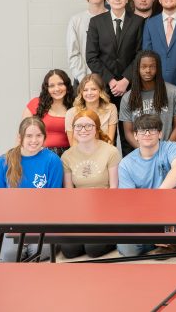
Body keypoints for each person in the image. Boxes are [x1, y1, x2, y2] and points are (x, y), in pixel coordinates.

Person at [0, 117, 63, 261]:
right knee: (10, 255)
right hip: (10, 221)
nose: (34, 140)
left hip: (41, 219)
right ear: (20, 137)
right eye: (28, 136)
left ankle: (29, 245)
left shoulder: (52, 160)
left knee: (40, 252)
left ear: (44, 137)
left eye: (38, 135)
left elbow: (54, 199)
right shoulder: (3, 162)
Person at [117, 113, 176, 258]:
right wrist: (151, 231)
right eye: (142, 130)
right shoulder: (126, 163)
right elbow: (129, 202)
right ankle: (156, 241)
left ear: (160, 133)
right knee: (127, 250)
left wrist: (157, 195)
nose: (147, 134)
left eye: (152, 130)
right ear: (135, 135)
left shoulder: (171, 148)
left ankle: (169, 239)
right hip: (144, 215)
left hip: (170, 211)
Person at [59, 109, 121, 258]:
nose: (83, 130)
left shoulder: (111, 152)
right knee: (69, 250)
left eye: (89, 126)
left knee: (93, 249)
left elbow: (114, 189)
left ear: (96, 129)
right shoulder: (67, 156)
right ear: (73, 130)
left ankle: (116, 236)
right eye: (78, 126)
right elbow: (69, 192)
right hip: (80, 212)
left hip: (105, 211)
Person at [86, 0, 144, 114]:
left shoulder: (138, 21)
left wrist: (126, 80)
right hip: (104, 85)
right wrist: (111, 81)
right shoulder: (96, 22)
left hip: (130, 85)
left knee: (128, 129)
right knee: (105, 131)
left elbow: (140, 54)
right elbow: (91, 56)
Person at [120, 51, 176, 150]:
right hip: (141, 153)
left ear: (158, 68)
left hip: (168, 150)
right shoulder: (127, 98)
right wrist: (144, 151)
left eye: (152, 66)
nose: (148, 70)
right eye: (143, 67)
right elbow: (128, 132)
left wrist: (164, 150)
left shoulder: (173, 92)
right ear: (137, 68)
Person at [22, 69, 75, 154]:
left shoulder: (75, 107)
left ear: (67, 86)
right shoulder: (36, 103)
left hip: (67, 155)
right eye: (52, 86)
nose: (57, 89)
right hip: (39, 153)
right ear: (47, 88)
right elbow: (22, 133)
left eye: (60, 84)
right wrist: (17, 154)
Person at [66, 0, 106, 85]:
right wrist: (82, 78)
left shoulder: (113, 18)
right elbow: (73, 53)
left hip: (108, 79)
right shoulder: (76, 20)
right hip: (83, 78)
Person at [65, 74, 118, 145]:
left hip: (105, 153)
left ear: (100, 91)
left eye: (93, 89)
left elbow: (110, 141)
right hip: (80, 154)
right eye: (85, 90)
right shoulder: (71, 113)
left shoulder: (111, 108)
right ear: (81, 92)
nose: (89, 93)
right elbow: (73, 145)